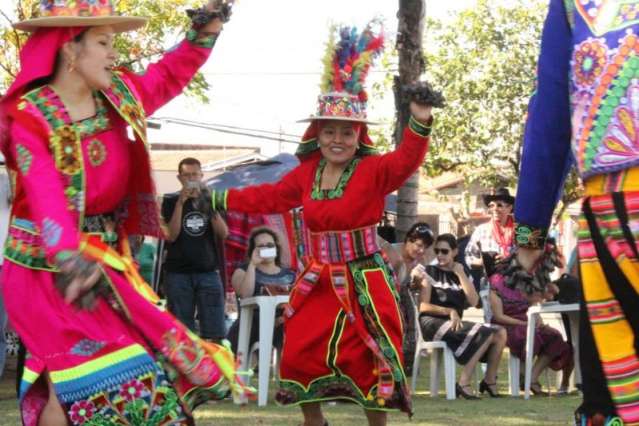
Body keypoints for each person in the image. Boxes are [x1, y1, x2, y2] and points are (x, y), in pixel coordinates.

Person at [0, 1, 248, 424]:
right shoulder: (30, 117)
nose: (114, 53)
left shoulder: (118, 95)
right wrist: (68, 258)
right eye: (103, 42)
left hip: (106, 263)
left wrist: (205, 34)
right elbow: (44, 191)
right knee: (89, 377)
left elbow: (167, 74)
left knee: (80, 384)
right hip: (45, 270)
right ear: (69, 50)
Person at [209, 23, 435, 426]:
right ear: (317, 133)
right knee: (298, 350)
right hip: (317, 277)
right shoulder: (306, 172)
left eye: (346, 132)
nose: (337, 139)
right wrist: (218, 198)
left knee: (371, 355)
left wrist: (419, 120)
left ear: (358, 134)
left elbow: (406, 160)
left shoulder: (373, 169)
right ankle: (315, 421)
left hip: (366, 278)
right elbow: (269, 197)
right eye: (329, 130)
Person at [513, 1, 639, 424]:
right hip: (612, 216)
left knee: (616, 385)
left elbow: (550, 114)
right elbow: (549, 112)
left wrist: (530, 228)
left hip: (613, 216)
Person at [418, 234, 507, 399]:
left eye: (444, 251)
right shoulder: (430, 271)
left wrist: (461, 274)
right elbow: (423, 306)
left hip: (456, 324)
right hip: (432, 322)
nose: (439, 255)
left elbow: (474, 302)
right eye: (437, 251)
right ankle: (463, 383)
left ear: (454, 252)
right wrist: (449, 311)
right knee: (485, 333)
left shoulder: (461, 272)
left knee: (500, 332)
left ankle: (489, 381)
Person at [162, 157, 229, 342]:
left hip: (208, 271)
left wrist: (206, 204)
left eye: (195, 175)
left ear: (201, 176)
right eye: (187, 175)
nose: (191, 179)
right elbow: (171, 235)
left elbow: (223, 233)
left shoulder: (211, 199)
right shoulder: (170, 200)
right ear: (179, 178)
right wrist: (181, 203)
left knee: (215, 330)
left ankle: (216, 367)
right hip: (178, 273)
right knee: (182, 332)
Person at [489, 274, 573, 395]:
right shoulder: (496, 284)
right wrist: (522, 323)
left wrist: (537, 317)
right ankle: (525, 377)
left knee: (553, 336)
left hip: (527, 321)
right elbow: (499, 316)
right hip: (507, 325)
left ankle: (532, 378)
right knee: (530, 335)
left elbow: (539, 301)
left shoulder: (525, 282)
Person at [226, 226, 296, 356]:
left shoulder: (291, 275)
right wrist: (253, 264)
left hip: (284, 322)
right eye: (261, 246)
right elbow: (245, 295)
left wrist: (281, 319)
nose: (266, 249)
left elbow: (299, 302)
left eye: (270, 245)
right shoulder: (243, 271)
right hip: (253, 324)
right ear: (253, 250)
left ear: (276, 248)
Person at [383, 222, 434, 374]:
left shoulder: (421, 261)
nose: (421, 250)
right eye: (418, 245)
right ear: (408, 240)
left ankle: (408, 360)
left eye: (424, 247)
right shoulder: (392, 253)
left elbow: (413, 288)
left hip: (403, 302)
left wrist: (416, 281)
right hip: (386, 297)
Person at [464, 187, 515, 280]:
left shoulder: (519, 232)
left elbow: (528, 259)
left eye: (499, 205)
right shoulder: (481, 230)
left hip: (514, 284)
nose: (495, 209)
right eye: (492, 205)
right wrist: (483, 262)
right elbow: (468, 256)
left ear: (509, 208)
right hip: (488, 286)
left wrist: (509, 260)